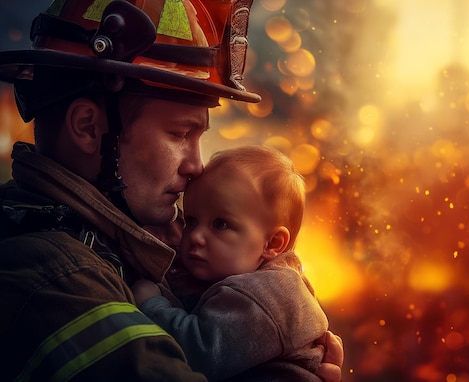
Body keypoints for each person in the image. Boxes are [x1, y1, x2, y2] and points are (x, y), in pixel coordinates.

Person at [0, 1, 343, 381]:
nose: (196, 165)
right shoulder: (56, 278)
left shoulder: (131, 240)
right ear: (87, 127)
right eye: (180, 134)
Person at [133, 145, 329, 381]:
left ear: (272, 244)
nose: (195, 236)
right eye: (192, 221)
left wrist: (151, 303)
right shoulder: (237, 276)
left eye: (220, 224)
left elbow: (197, 354)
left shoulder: (267, 296)